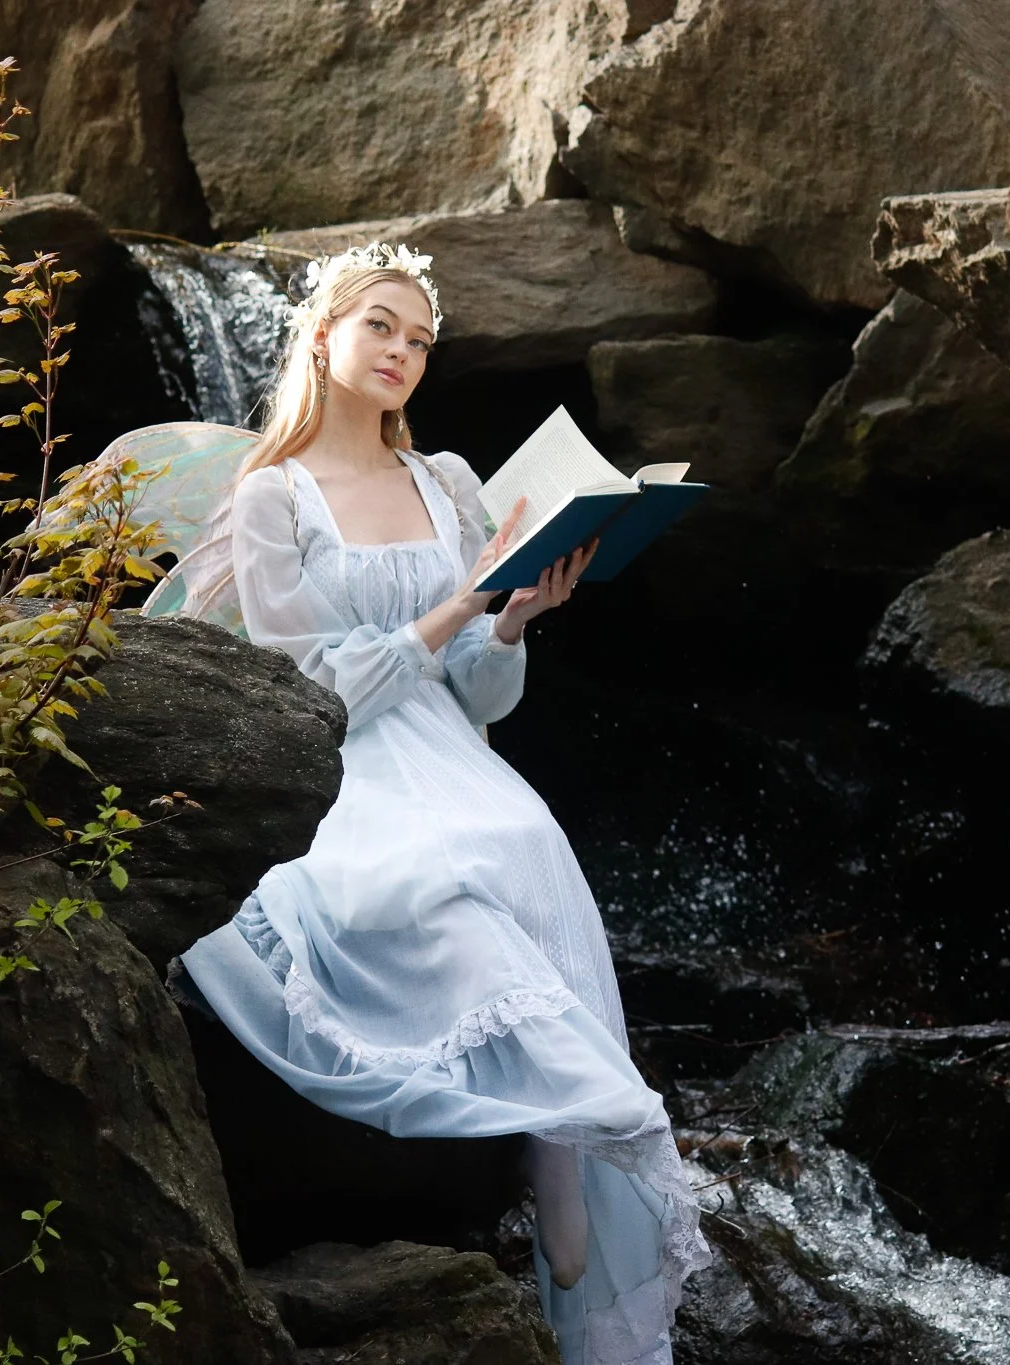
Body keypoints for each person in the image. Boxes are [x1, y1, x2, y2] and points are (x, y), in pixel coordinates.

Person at [164, 243, 709, 1365]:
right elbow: (305, 688)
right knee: (431, 869)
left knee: (515, 830)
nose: (401, 353)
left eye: (418, 340)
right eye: (380, 327)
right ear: (323, 333)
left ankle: (561, 1146)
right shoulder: (271, 495)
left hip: (445, 748)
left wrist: (507, 623)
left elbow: (478, 695)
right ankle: (574, 1109)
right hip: (332, 759)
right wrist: (457, 605)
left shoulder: (447, 482)